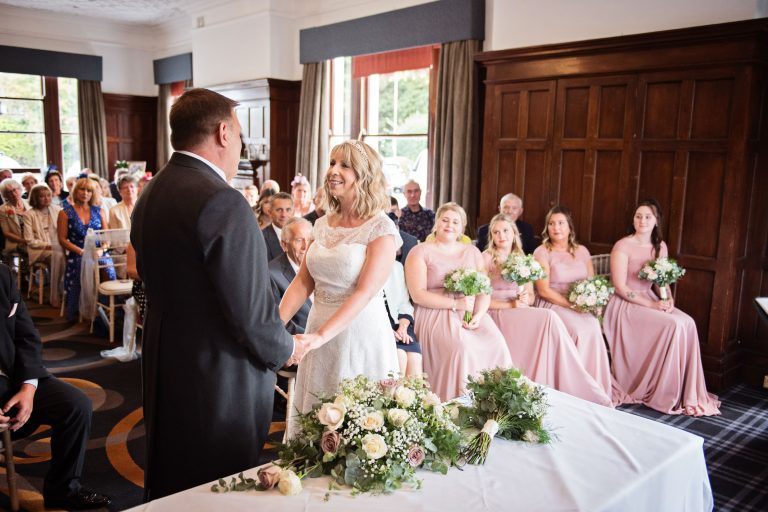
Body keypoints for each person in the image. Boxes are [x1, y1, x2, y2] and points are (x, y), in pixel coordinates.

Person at [131, 88, 303, 500]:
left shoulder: (152, 191)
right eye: (241, 135)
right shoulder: (222, 202)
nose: (240, 145)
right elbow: (250, 311)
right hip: (217, 376)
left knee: (173, 477)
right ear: (224, 133)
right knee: (217, 483)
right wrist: (285, 348)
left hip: (164, 356)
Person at [279, 139, 400, 435]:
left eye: (344, 165)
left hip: (358, 333)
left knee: (354, 426)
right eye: (332, 162)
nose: (333, 170)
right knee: (315, 421)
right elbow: (302, 282)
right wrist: (271, 324)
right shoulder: (322, 225)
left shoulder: (380, 228)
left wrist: (318, 338)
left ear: (364, 175)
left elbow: (364, 292)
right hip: (318, 325)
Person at [0, 263, 111, 509]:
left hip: (12, 378)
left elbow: (26, 336)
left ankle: (63, 490)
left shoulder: (3, 274)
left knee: (76, 405)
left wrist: (29, 388)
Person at [603, 200, 720, 416]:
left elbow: (661, 280)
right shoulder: (622, 246)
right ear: (633, 219)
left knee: (688, 322)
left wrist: (668, 300)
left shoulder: (660, 246)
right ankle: (663, 389)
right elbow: (620, 287)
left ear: (656, 221)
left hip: (650, 297)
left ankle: (684, 390)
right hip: (624, 305)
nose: (642, 221)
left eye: (648, 217)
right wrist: (652, 304)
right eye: (638, 216)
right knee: (674, 325)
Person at [483, 214, 611, 405]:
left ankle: (567, 380)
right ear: (491, 236)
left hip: (519, 309)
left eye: (506, 230)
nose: (501, 235)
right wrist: (511, 305)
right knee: (548, 317)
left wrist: (526, 298)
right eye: (496, 232)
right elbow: (480, 299)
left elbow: (532, 295)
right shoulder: (486, 258)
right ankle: (558, 381)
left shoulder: (520, 258)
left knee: (555, 322)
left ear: (514, 233)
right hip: (497, 310)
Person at [405, 202, 513, 401]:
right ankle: (457, 405)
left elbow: (484, 289)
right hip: (434, 311)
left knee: (497, 343)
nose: (449, 225)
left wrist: (479, 316)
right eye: (445, 220)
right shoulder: (420, 252)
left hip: (470, 310)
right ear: (436, 223)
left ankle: (495, 404)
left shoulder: (472, 252)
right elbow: (418, 294)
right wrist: (456, 305)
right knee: (461, 348)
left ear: (462, 228)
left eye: (456, 222)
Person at [533, 206, 613, 397]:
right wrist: (572, 305)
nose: (556, 228)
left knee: (593, 326)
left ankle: (595, 384)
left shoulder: (582, 251)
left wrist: (591, 302)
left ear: (570, 227)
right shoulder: (542, 252)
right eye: (551, 224)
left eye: (561, 223)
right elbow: (543, 290)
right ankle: (577, 388)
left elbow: (592, 282)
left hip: (579, 304)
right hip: (553, 303)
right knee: (578, 330)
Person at [57, 177, 113, 322]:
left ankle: (104, 307)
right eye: (82, 189)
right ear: (76, 191)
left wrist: (102, 249)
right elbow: (62, 239)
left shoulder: (99, 211)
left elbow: (107, 238)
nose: (85, 193)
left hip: (99, 251)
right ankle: (76, 309)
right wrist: (80, 251)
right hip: (78, 251)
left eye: (89, 190)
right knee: (81, 264)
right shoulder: (64, 213)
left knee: (108, 270)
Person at [268, 217, 312, 334]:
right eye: (299, 240)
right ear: (284, 245)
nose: (306, 247)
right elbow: (278, 323)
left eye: (310, 240)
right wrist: (313, 338)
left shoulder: (322, 265)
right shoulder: (271, 275)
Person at [384, 259, 422, 377]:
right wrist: (386, 331)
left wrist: (403, 327)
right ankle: (393, 394)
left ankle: (413, 395)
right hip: (377, 325)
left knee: (415, 358)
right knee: (399, 355)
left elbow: (404, 304)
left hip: (399, 322)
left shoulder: (396, 266)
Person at [23, 184, 61, 266]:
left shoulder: (58, 210)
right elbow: (30, 240)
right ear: (35, 198)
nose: (46, 198)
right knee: (56, 256)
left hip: (58, 246)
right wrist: (49, 245)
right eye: (42, 196)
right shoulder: (29, 215)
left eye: (48, 195)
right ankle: (54, 279)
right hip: (39, 250)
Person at [0, 179, 31, 257]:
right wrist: (24, 241)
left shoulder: (31, 203)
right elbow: (6, 232)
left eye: (15, 190)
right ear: (5, 195)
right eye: (9, 192)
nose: (14, 194)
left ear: (20, 189)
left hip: (34, 241)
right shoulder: (2, 209)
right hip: (16, 244)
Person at [262, 192, 294, 262]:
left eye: (288, 210)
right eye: (279, 210)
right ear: (270, 212)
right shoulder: (261, 238)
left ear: (293, 212)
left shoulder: (302, 235)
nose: (284, 215)